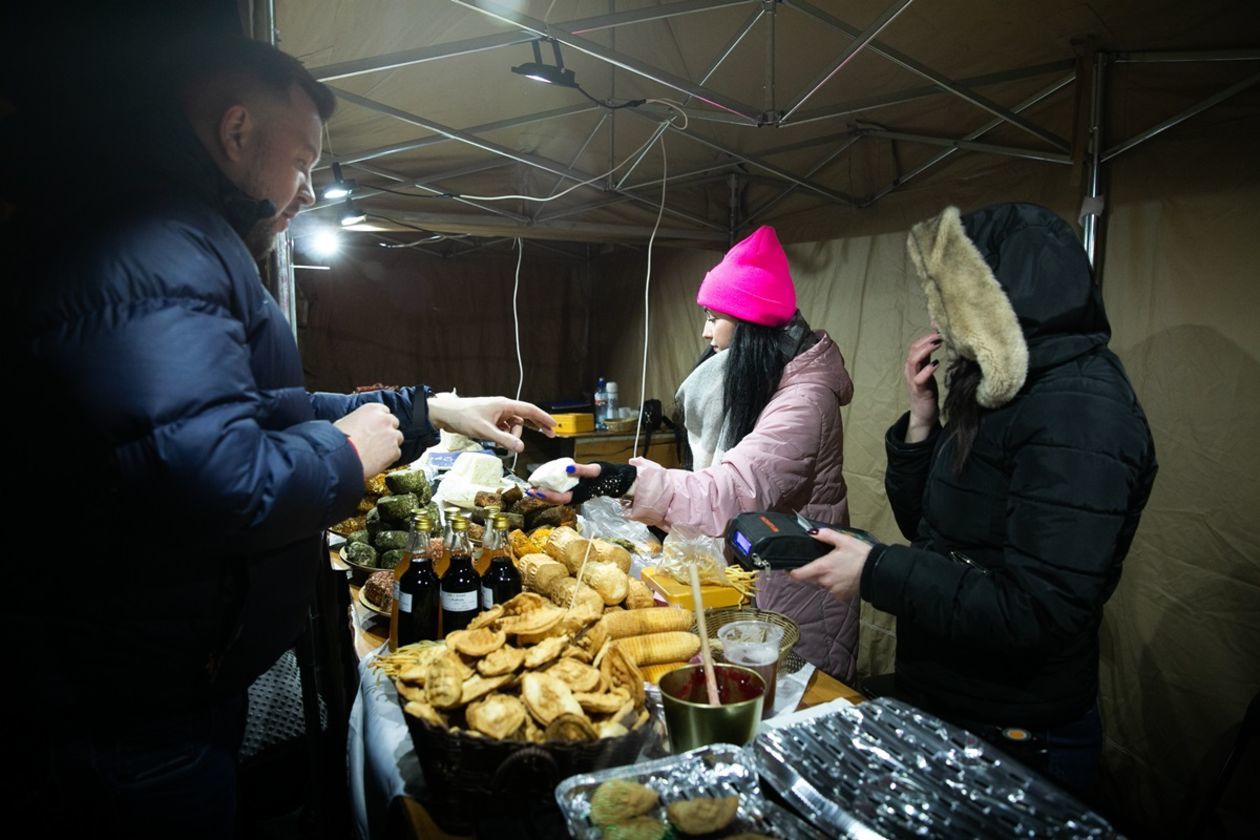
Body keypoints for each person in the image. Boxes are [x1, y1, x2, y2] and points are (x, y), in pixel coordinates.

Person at [7, 35, 553, 835]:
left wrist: (430, 409)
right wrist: (345, 453)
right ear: (236, 133)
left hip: (157, 681)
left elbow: (261, 407)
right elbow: (211, 473)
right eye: (301, 164)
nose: (306, 193)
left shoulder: (171, 228)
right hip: (132, 712)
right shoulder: (158, 240)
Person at [791, 203, 1157, 796]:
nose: (944, 314)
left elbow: (1039, 609)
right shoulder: (1000, 387)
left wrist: (878, 571)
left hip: (1016, 729)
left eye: (954, 295)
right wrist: (921, 419)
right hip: (949, 698)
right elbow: (928, 528)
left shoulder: (1081, 411)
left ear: (1002, 296)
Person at [538, 225, 859, 682]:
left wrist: (622, 479)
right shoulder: (771, 376)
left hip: (800, 599)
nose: (706, 332)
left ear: (749, 323)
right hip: (763, 584)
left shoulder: (805, 400)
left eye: (713, 316)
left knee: (793, 714)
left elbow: (733, 489)